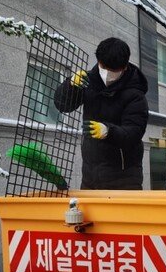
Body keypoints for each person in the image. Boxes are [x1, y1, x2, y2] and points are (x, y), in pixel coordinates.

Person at [53, 37, 150, 189]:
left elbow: (134, 132)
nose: (107, 73)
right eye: (103, 67)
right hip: (91, 176)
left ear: (124, 68)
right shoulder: (89, 81)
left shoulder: (135, 94)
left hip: (124, 179)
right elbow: (63, 106)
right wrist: (70, 85)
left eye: (113, 71)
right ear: (99, 61)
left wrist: (108, 131)